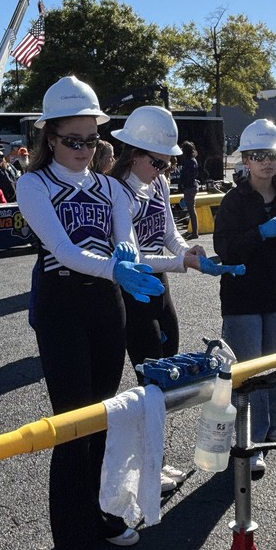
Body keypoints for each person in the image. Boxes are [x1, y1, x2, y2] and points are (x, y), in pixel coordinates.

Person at [16, 76, 164, 550]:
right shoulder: (32, 185)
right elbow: (60, 247)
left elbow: (125, 235)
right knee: (71, 427)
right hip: (62, 307)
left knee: (104, 415)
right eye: (72, 140)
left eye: (91, 141)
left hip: (106, 306)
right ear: (50, 137)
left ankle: (102, 514)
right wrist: (118, 271)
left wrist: (129, 259)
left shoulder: (108, 186)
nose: (82, 151)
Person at [110, 106, 216, 493]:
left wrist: (190, 250)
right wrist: (180, 261)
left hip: (161, 287)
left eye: (167, 161)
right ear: (133, 152)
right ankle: (146, 467)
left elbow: (170, 233)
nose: (164, 167)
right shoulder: (118, 190)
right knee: (148, 380)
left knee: (167, 376)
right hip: (134, 290)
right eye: (157, 161)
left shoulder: (156, 183)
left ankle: (157, 460)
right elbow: (132, 254)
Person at [213, 119, 276, 476]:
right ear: (246, 161)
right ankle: (249, 442)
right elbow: (226, 250)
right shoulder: (234, 200)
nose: (266, 162)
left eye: (271, 155)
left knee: (274, 365)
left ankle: (271, 426)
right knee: (249, 370)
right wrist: (260, 233)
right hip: (241, 298)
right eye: (257, 156)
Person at [178, 140, 200, 238]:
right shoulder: (193, 160)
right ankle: (192, 230)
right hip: (192, 186)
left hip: (189, 187)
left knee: (191, 210)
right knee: (191, 210)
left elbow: (186, 175)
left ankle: (195, 232)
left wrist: (182, 184)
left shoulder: (189, 162)